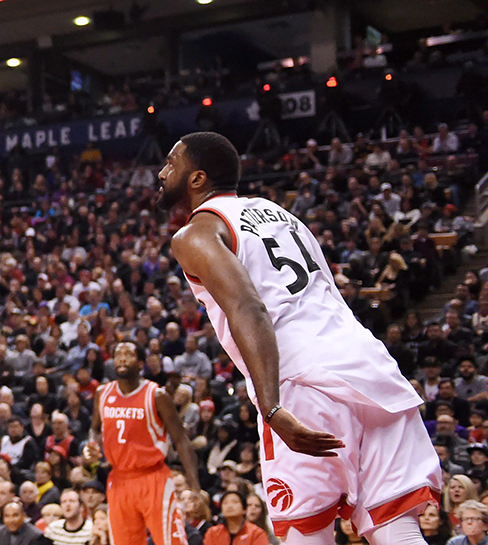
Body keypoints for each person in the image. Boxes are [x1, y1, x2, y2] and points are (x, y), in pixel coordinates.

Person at [162, 132, 442, 545]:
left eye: (171, 164)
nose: (161, 172)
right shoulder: (279, 214)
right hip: (372, 369)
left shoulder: (195, 233)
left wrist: (271, 407)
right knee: (398, 530)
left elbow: (248, 307)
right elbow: (329, 291)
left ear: (197, 178)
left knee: (306, 536)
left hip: (302, 381)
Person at [84, 342, 199, 545]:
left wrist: (195, 486)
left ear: (140, 364)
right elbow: (94, 427)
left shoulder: (156, 395)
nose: (122, 358)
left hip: (153, 477)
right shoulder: (102, 393)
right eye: (118, 354)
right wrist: (92, 444)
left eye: (128, 354)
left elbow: (181, 439)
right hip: (118, 479)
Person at [203, 493, 268, 545]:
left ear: (244, 509)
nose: (229, 506)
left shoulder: (256, 533)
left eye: (234, 502)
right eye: (225, 503)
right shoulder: (212, 533)